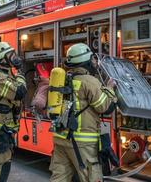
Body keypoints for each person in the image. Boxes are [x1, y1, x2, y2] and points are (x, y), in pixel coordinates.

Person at [49, 43, 117, 182]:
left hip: (60, 138)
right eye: (93, 59)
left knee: (59, 178)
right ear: (86, 61)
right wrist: (110, 88)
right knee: (90, 177)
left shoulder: (64, 80)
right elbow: (105, 107)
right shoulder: (89, 81)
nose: (95, 62)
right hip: (82, 143)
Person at [0, 42, 27, 182]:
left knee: (6, 164)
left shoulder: (6, 73)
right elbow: (19, 92)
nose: (14, 57)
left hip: (5, 128)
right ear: (2, 57)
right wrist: (21, 74)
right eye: (10, 55)